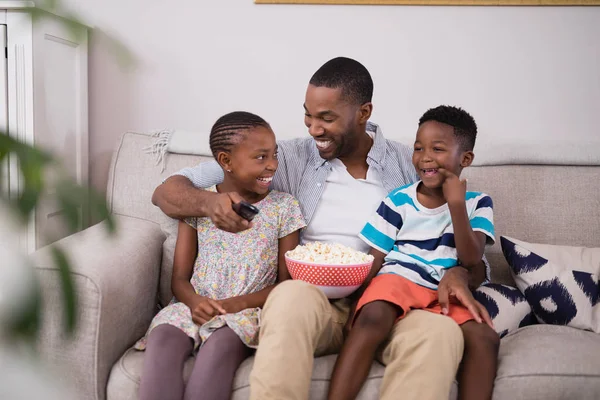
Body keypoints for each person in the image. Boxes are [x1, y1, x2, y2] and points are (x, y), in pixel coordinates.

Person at [152, 57, 491, 400]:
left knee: (439, 333)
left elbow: (457, 240)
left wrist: (462, 272)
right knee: (289, 296)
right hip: (315, 303)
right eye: (308, 116)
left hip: (392, 302)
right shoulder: (286, 157)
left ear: (363, 112)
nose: (314, 129)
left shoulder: (413, 162)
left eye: (326, 118)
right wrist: (209, 204)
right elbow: (168, 191)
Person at [328, 105, 499, 400]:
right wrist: (357, 302)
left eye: (438, 148)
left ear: (466, 158)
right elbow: (376, 257)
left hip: (445, 289)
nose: (425, 157)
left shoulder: (477, 203)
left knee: (485, 337)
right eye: (419, 148)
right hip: (398, 278)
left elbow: (471, 259)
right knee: (373, 317)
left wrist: (456, 204)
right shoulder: (398, 200)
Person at [136, 111, 306, 400]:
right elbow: (179, 278)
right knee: (163, 339)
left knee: (219, 346)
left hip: (244, 313)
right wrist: (195, 303)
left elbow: (284, 284)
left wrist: (235, 304)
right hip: (193, 305)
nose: (273, 165)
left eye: (274, 155)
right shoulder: (200, 205)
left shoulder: (284, 207)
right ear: (226, 161)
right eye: (261, 157)